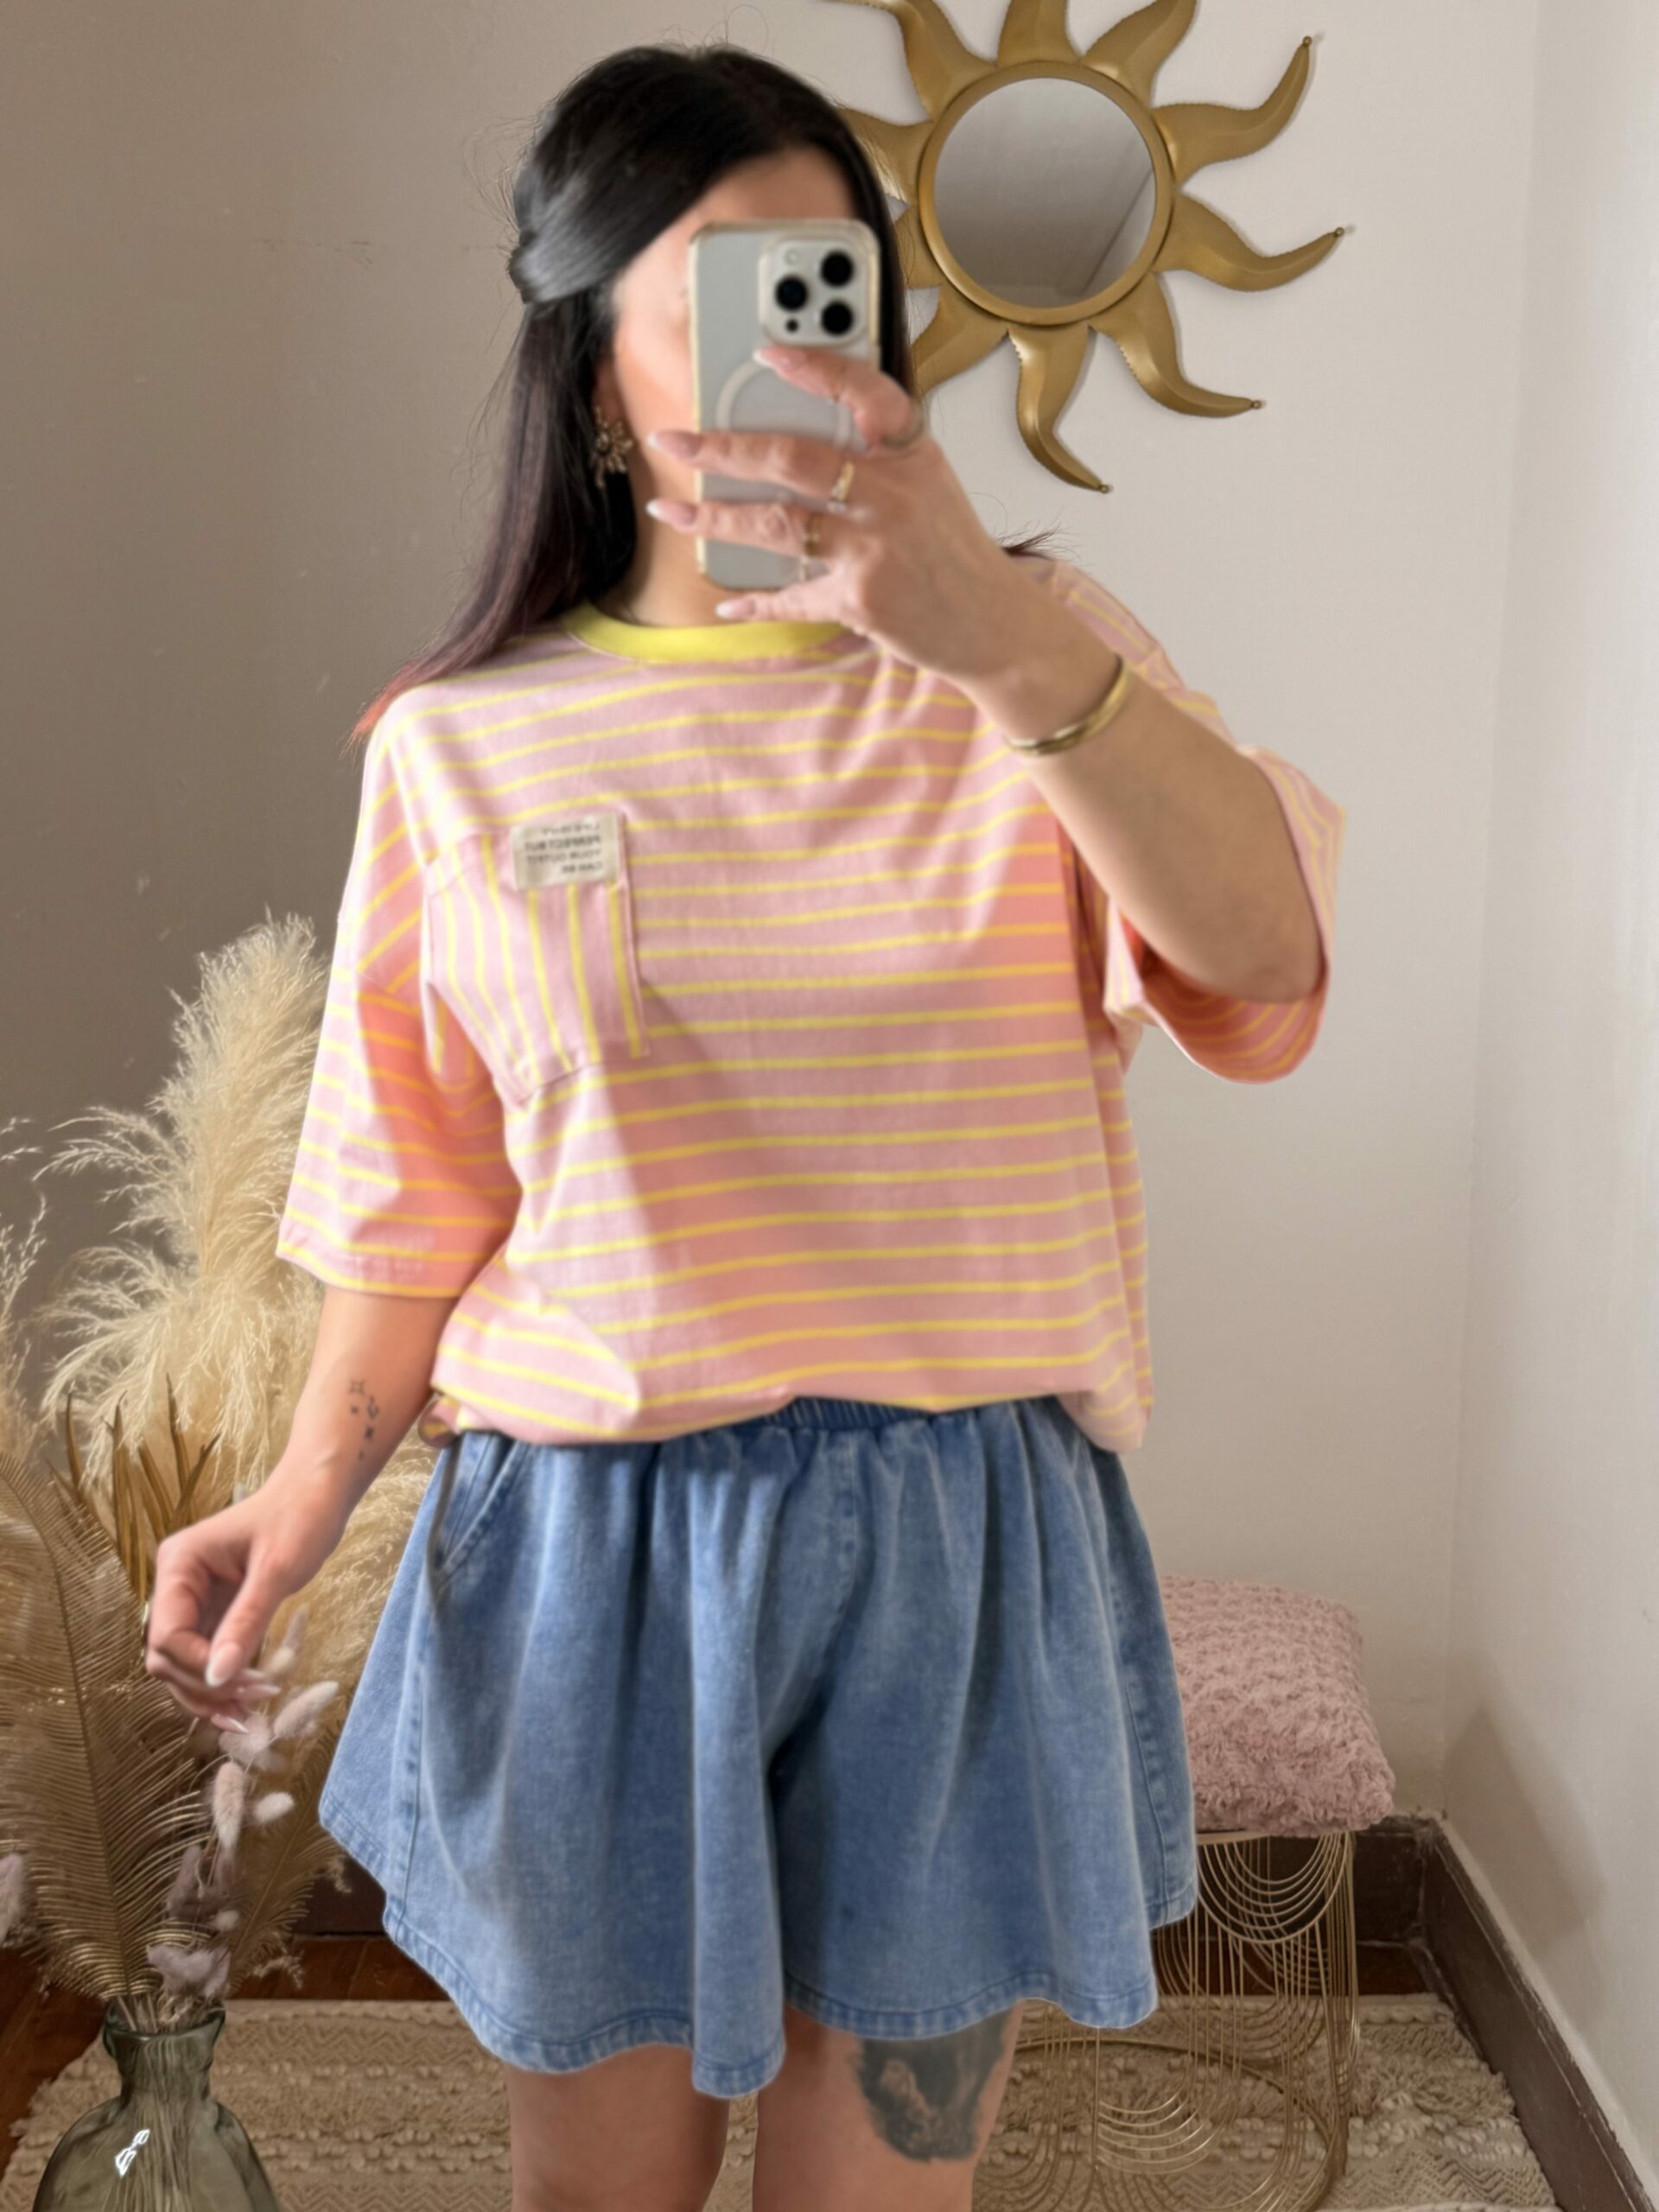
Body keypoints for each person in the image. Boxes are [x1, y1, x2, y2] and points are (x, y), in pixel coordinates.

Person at [144, 40, 1344, 2212]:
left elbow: (1265, 961)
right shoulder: (460, 747)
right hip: (586, 1561)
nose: (785, 345)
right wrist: (296, 1497)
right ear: (594, 362)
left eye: (825, 284)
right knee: (594, 2195)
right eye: (718, 290)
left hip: (962, 1552)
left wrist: (987, 631)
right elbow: (417, 1197)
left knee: (880, 2198)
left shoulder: (1044, 664)